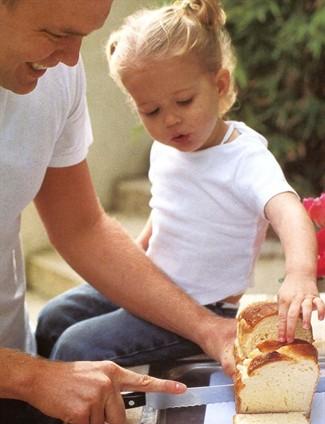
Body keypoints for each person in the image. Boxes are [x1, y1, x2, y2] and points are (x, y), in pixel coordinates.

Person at [36, 0, 325, 380]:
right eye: (151, 111)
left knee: (76, 346)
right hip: (154, 287)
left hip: (207, 307)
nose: (170, 120)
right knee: (51, 319)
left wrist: (300, 273)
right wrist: (135, 256)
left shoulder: (245, 158)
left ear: (219, 84)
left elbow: (289, 212)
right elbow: (168, 208)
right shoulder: (167, 149)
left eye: (184, 102)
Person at [0, 0, 198, 424]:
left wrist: (208, 328)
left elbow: (82, 228)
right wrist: (31, 376)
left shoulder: (57, 71)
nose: (72, 59)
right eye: (55, 35)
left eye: (83, 37)